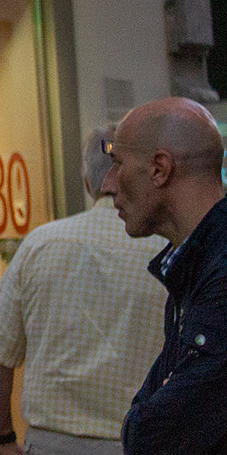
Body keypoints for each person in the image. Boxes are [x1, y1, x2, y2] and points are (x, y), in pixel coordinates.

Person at [0, 126, 166, 455]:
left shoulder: (41, 243)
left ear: (88, 184)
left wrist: (2, 439)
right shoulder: (170, 250)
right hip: (143, 441)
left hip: (52, 443)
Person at [101, 96, 227, 455]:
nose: (108, 184)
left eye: (117, 163)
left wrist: (147, 416)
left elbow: (153, 434)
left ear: (160, 168)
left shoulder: (218, 271)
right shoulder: (195, 265)